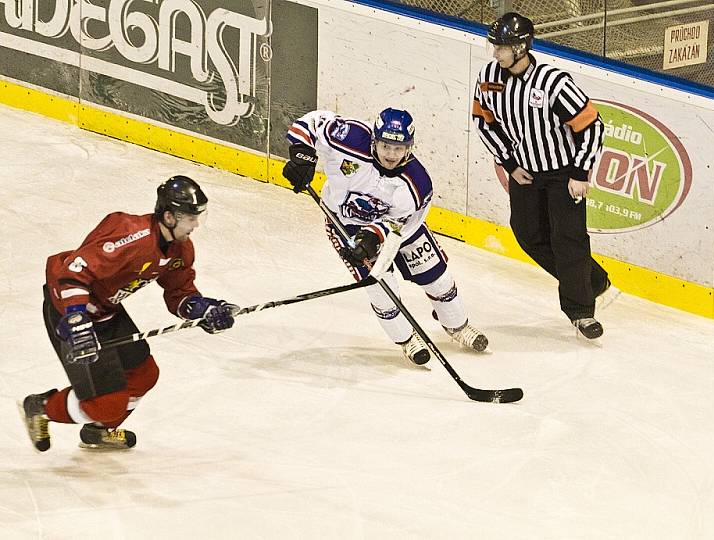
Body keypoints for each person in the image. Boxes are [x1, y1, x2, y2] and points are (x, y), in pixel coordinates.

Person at [22, 176, 239, 452]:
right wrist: (76, 319)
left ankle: (99, 431)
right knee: (107, 404)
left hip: (107, 311)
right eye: (190, 218)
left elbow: (179, 292)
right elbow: (73, 273)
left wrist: (204, 309)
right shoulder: (131, 235)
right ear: (170, 217)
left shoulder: (180, 248)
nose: (196, 225)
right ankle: (41, 408)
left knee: (145, 374)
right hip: (67, 310)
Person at [282, 107, 488, 365]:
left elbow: (402, 222)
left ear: (409, 148)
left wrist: (376, 235)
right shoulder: (350, 138)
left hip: (402, 228)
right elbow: (311, 122)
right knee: (381, 288)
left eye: (398, 148)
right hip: (346, 224)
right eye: (385, 146)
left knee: (437, 278)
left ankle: (457, 326)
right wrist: (302, 157)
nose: (391, 155)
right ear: (374, 140)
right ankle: (406, 339)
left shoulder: (417, 183)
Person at [472, 12, 610, 339]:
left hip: (563, 173)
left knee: (568, 239)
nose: (496, 53)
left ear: (521, 48)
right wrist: (508, 162)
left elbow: (592, 125)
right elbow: (483, 120)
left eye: (502, 47)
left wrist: (579, 172)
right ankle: (591, 280)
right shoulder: (490, 77)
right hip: (525, 173)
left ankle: (580, 312)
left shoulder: (553, 83)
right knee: (527, 234)